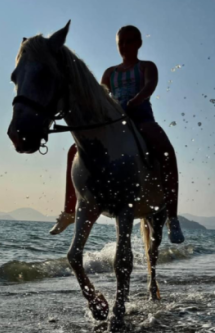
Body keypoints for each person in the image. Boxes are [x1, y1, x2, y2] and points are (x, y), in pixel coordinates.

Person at [49, 25, 184, 244]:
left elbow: (150, 87)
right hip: (112, 121)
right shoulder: (110, 73)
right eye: (121, 42)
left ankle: (172, 217)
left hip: (141, 117)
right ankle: (68, 211)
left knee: (166, 151)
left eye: (130, 41)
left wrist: (135, 101)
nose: (125, 46)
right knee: (74, 150)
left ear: (139, 43)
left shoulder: (146, 66)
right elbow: (100, 97)